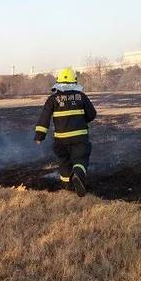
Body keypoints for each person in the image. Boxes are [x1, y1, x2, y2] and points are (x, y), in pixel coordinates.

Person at [34, 68, 97, 197]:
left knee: (64, 162)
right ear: (75, 81)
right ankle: (78, 175)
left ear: (58, 81)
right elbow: (92, 114)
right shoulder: (81, 96)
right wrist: (81, 119)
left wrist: (40, 136)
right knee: (80, 159)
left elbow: (44, 118)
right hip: (80, 138)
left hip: (61, 140)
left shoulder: (52, 99)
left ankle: (67, 188)